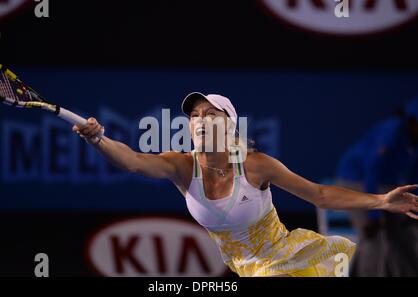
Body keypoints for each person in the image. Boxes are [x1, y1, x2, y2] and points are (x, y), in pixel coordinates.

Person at [74, 92, 418, 277]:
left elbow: (320, 195)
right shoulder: (181, 167)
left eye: (212, 115)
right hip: (246, 270)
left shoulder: (255, 166)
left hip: (287, 258)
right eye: (195, 116)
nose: (201, 121)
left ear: (230, 127)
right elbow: (133, 160)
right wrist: (99, 140)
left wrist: (381, 201)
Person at [337, 99, 418, 276]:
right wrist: (373, 215)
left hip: (386, 185)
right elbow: (372, 171)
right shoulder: (393, 129)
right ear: (412, 120)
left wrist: (413, 206)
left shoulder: (414, 139)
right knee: (375, 236)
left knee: (406, 235)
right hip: (357, 182)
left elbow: (413, 177)